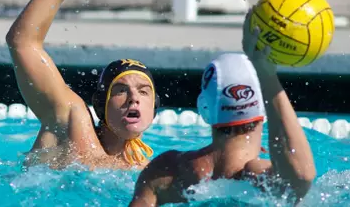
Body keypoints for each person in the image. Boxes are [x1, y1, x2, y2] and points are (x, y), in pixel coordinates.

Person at [5, 0, 158, 170]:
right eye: (120, 90)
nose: (134, 98)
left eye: (144, 91)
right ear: (100, 103)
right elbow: (22, 42)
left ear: (154, 108)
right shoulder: (72, 122)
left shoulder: (149, 173)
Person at [129, 11, 316, 206]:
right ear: (264, 109)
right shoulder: (257, 179)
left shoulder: (163, 171)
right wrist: (268, 78)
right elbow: (302, 176)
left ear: (204, 109)